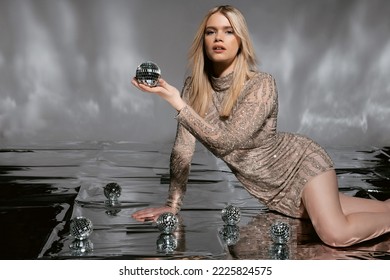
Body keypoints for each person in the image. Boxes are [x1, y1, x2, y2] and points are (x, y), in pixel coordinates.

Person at [131, 5, 390, 247]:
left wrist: (178, 104)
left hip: (300, 164)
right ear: (204, 41)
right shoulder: (193, 89)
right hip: (270, 190)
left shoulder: (261, 85)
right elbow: (183, 151)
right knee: (373, 209)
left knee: (335, 234)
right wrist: (172, 205)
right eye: (211, 32)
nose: (218, 38)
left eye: (228, 31)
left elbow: (226, 140)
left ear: (240, 40)